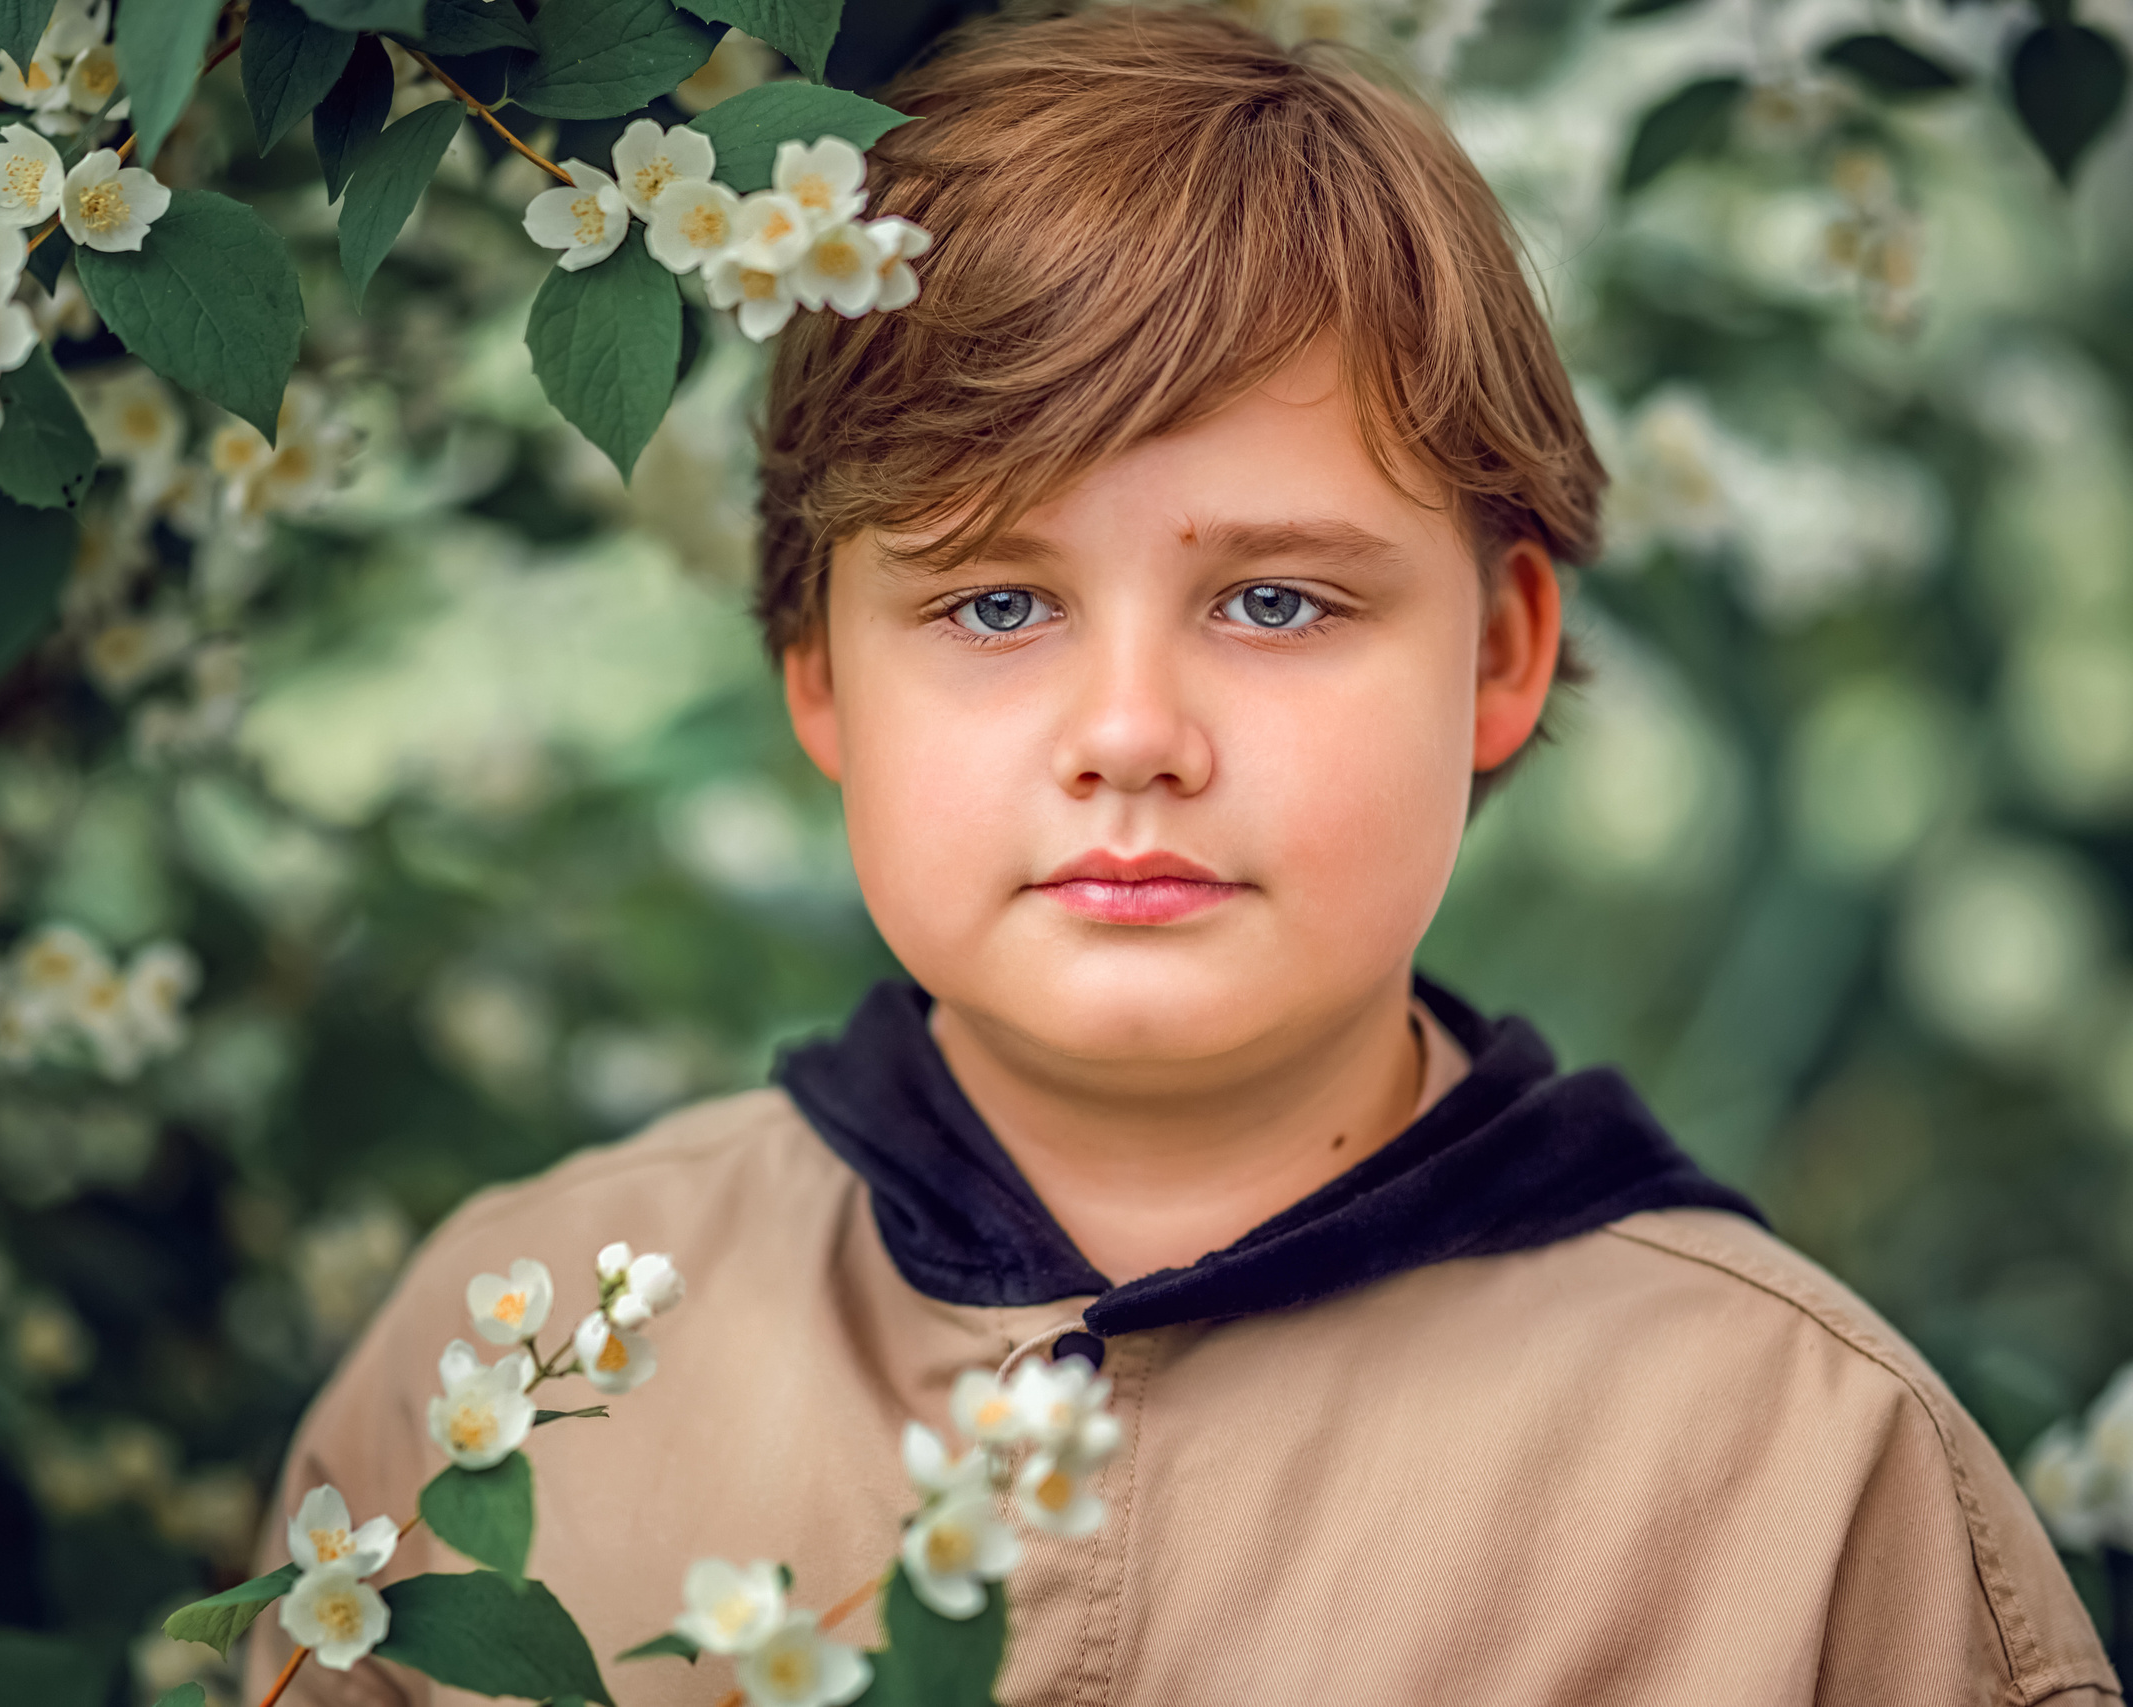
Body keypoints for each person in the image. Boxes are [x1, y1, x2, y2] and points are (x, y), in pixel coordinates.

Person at [250, 8, 2114, 1701]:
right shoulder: (513, 1372)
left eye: (1277, 600)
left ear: (1499, 655)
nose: (1132, 732)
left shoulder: (1804, 1474)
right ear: (817, 668)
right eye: (994, 604)